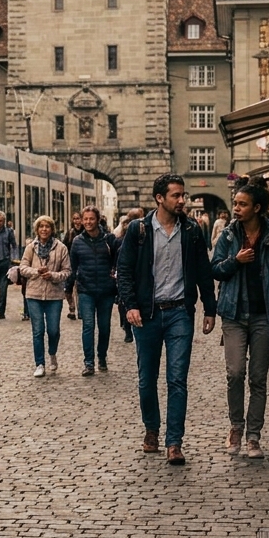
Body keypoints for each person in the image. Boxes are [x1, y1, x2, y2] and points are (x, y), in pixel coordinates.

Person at [117, 174, 217, 466]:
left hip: (179, 314)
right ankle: (152, 430)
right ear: (160, 198)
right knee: (147, 379)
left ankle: (175, 442)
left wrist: (210, 309)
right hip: (147, 315)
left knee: (177, 380)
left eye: (183, 195)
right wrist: (130, 306)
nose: (182, 200)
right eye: (176, 195)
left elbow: (203, 271)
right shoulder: (139, 231)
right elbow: (124, 271)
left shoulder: (192, 231)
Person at [210, 177, 269, 459]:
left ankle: (253, 437)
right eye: (235, 203)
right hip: (233, 314)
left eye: (242, 204)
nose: (236, 208)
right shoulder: (229, 235)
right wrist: (236, 261)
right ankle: (236, 427)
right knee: (235, 374)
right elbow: (215, 269)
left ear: (257, 208)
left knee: (258, 379)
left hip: (264, 316)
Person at [68, 205, 120, 376]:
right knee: (88, 326)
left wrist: (115, 275)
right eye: (85, 219)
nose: (88, 222)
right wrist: (68, 288)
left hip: (106, 290)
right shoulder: (77, 242)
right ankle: (89, 362)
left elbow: (118, 259)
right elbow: (72, 267)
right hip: (86, 290)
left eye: (91, 219)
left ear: (98, 220)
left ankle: (102, 357)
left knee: (104, 327)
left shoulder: (109, 239)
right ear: (82, 221)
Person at [17, 216, 71, 378]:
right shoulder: (30, 248)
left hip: (54, 296)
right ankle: (39, 363)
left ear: (52, 229)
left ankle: (52, 353)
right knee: (38, 330)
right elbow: (22, 268)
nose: (44, 229)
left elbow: (67, 271)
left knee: (53, 330)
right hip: (34, 294)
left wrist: (53, 275)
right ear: (37, 230)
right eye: (41, 227)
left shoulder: (61, 248)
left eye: (47, 227)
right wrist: (36, 272)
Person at [115, 206, 146, 343]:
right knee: (125, 301)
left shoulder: (146, 229)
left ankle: (127, 327)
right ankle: (127, 327)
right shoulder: (124, 231)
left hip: (134, 273)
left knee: (125, 302)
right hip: (126, 271)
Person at [64, 211, 84, 320]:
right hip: (71, 264)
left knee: (81, 289)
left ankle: (81, 311)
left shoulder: (86, 233)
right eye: (74, 219)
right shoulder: (70, 233)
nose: (76, 221)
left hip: (82, 264)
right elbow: (64, 247)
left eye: (78, 218)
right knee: (68, 289)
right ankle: (72, 308)